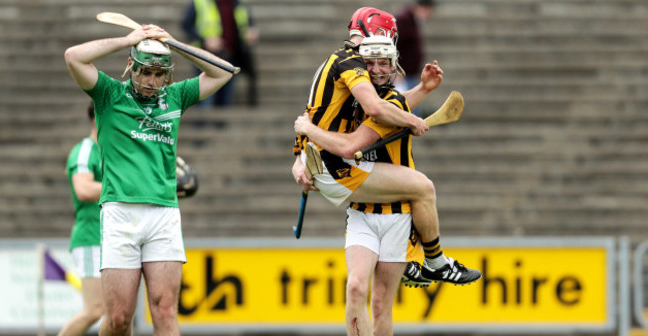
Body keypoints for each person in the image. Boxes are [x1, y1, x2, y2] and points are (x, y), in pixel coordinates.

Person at [64, 23, 234, 336]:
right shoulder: (109, 95)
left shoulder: (175, 96)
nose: (152, 80)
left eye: (159, 72)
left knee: (164, 308)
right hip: (119, 212)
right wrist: (129, 39)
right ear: (131, 66)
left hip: (163, 213)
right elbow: (74, 56)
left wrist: (172, 42)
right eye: (145, 70)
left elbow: (223, 71)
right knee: (119, 318)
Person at [292, 7, 481, 287]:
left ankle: (408, 258)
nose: (377, 65)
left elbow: (322, 114)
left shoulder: (338, 64)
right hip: (335, 164)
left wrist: (423, 90)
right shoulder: (349, 60)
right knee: (422, 188)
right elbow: (376, 109)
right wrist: (412, 121)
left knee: (407, 189)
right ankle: (434, 262)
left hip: (323, 161)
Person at [34, 103, 151, 336]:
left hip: (115, 236)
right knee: (95, 309)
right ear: (101, 116)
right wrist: (126, 185)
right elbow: (83, 189)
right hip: (90, 237)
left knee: (119, 308)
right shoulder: (86, 149)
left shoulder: (116, 150)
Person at [182, 0, 259, 107]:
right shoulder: (200, 2)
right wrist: (205, 40)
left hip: (230, 57)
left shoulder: (237, 3)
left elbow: (246, 23)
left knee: (225, 100)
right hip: (206, 58)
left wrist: (250, 31)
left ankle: (220, 123)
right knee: (205, 100)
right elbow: (186, 25)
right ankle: (202, 122)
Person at [394, 0, 435, 95]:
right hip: (403, 74)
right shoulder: (404, 21)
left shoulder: (413, 21)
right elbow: (394, 45)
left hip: (410, 73)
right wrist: (395, 70)